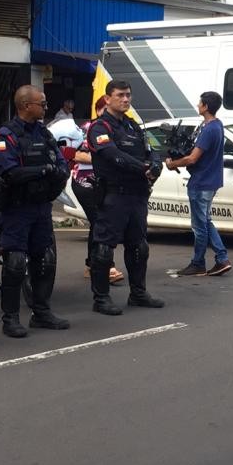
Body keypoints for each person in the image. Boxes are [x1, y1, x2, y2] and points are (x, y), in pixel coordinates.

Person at [0, 85, 71, 338]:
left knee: (45, 260)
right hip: (17, 209)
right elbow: (10, 172)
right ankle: (11, 318)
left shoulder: (44, 133)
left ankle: (41, 313)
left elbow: (60, 163)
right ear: (27, 106)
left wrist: (55, 173)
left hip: (41, 207)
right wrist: (44, 171)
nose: (46, 107)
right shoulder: (7, 135)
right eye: (43, 104)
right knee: (15, 263)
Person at [86, 80, 165, 315]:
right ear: (108, 99)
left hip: (137, 195)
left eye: (128, 95)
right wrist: (142, 168)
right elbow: (111, 155)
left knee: (139, 246)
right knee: (104, 248)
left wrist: (156, 166)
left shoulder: (133, 127)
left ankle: (138, 293)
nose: (126, 99)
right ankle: (101, 299)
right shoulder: (100, 127)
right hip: (113, 195)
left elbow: (153, 150)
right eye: (120, 95)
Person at [166, 91, 232, 277]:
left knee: (199, 226)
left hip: (201, 182)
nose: (197, 105)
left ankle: (199, 263)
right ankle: (221, 258)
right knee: (205, 221)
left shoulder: (210, 129)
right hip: (210, 180)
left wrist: (173, 164)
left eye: (200, 102)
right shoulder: (216, 126)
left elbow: (193, 159)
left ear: (206, 106)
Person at [70, 95, 125, 286]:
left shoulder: (118, 129)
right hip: (85, 182)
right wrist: (104, 157)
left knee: (98, 223)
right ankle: (105, 266)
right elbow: (76, 155)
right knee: (101, 221)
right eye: (105, 110)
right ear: (100, 109)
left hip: (104, 183)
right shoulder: (89, 129)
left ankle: (91, 265)